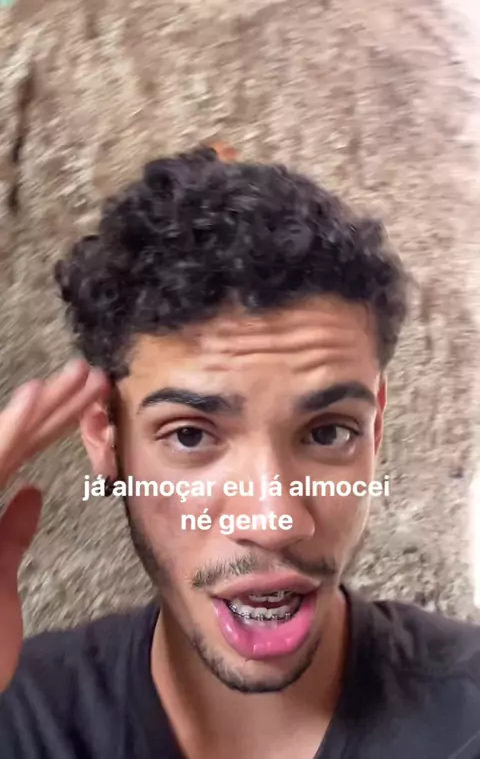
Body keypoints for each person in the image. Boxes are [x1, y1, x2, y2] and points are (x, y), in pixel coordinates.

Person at [0, 146, 479, 759]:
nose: (274, 521)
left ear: (376, 426)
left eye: (328, 433)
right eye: (190, 435)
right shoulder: (20, 714)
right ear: (106, 438)